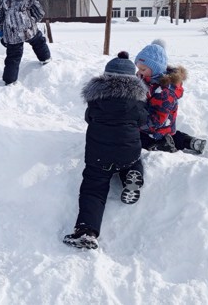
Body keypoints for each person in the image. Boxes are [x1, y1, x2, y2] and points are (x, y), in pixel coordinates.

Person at [63, 51, 148, 250]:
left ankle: (87, 231)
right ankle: (132, 175)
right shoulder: (137, 102)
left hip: (98, 155)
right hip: (127, 151)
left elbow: (89, 118)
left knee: (94, 189)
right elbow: (143, 121)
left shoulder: (96, 100)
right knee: (134, 160)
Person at [134, 39, 207, 154]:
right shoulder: (147, 80)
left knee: (138, 139)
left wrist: (136, 122)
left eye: (143, 69)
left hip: (155, 128)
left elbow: (157, 120)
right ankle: (190, 142)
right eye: (138, 69)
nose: (139, 72)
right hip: (162, 127)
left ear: (155, 70)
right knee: (173, 135)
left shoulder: (163, 91)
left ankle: (164, 146)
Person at [0, 0, 51, 85]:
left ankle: (9, 80)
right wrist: (33, 20)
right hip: (27, 28)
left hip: (11, 31)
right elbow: (39, 12)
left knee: (13, 55)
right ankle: (45, 59)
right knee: (38, 41)